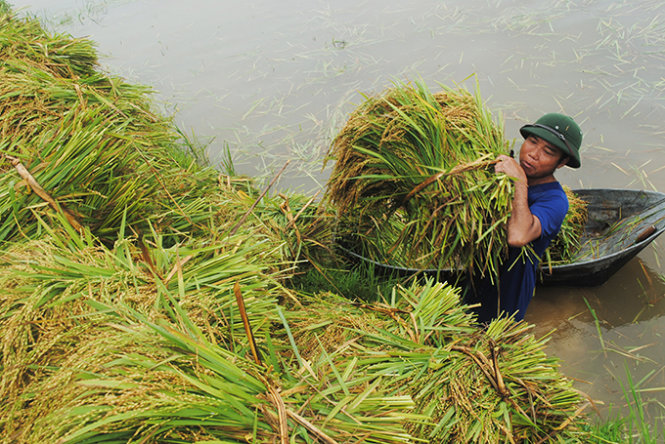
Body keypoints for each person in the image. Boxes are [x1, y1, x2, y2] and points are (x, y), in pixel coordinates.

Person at [471, 112, 583, 323]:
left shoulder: (555, 201)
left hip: (505, 297)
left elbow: (518, 236)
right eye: (532, 142)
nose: (533, 154)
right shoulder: (499, 173)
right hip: (472, 275)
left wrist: (519, 181)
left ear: (561, 162)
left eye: (548, 152)